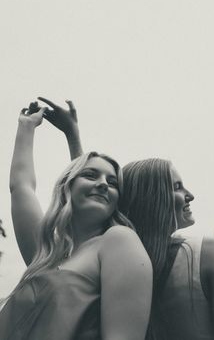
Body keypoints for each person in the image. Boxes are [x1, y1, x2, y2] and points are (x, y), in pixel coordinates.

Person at [15, 98, 214, 340]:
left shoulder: (122, 249)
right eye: (177, 186)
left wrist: (73, 139)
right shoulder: (61, 256)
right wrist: (38, 129)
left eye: (112, 183)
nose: (190, 195)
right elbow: (28, 189)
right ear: (151, 195)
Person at [0, 105, 153, 340]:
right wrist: (26, 126)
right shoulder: (45, 253)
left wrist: (74, 139)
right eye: (91, 176)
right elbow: (20, 187)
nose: (103, 184)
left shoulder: (118, 241)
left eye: (112, 183)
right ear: (67, 186)